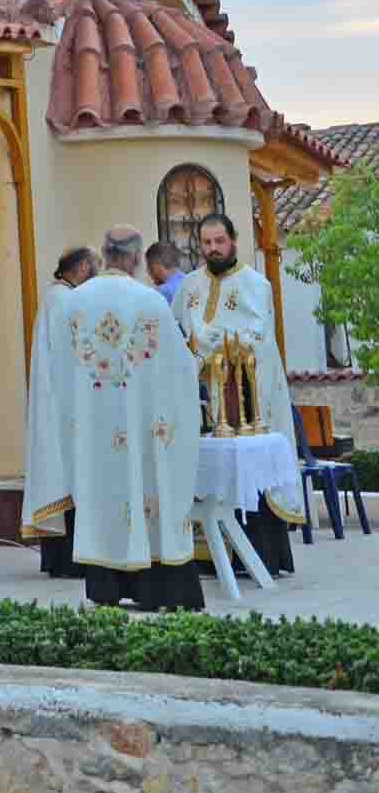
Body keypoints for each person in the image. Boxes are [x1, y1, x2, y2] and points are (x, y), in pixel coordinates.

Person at [61, 226, 203, 611]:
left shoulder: (73, 303)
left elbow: (64, 372)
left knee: (101, 495)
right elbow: (178, 368)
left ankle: (105, 586)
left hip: (93, 427)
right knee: (146, 488)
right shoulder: (150, 301)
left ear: (104, 254)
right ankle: (153, 588)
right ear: (137, 258)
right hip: (141, 430)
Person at [171, 212, 304, 575]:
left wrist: (211, 345)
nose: (213, 248)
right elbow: (175, 328)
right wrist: (191, 350)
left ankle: (260, 556)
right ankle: (212, 555)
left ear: (233, 241)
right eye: (207, 242)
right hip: (203, 395)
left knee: (251, 471)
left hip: (247, 393)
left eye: (220, 241)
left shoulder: (255, 284)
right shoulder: (190, 285)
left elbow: (257, 336)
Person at [21, 245, 98, 579]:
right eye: (93, 267)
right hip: (66, 407)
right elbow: (74, 357)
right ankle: (70, 561)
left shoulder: (55, 298)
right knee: (70, 475)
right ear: (81, 268)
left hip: (58, 403)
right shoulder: (66, 301)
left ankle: (58, 560)